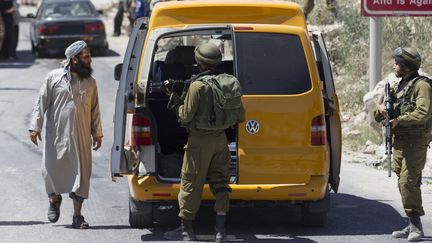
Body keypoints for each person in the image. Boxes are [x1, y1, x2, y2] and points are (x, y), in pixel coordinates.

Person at [163, 42, 245, 242]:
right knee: (221, 183)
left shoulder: (197, 86)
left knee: (191, 182)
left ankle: (186, 229)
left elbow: (185, 117)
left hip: (199, 141)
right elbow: (240, 115)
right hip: (221, 140)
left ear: (198, 62)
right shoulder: (229, 82)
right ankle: (220, 230)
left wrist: (174, 97)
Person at [29, 40, 103, 229]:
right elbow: (41, 103)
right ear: (74, 59)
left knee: (81, 177)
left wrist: (97, 133)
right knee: (50, 171)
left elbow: (95, 110)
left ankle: (77, 216)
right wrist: (35, 127)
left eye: (89, 56)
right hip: (57, 138)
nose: (90, 60)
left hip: (80, 138)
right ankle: (54, 200)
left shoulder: (91, 83)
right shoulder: (53, 78)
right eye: (86, 57)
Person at [374, 47, 430, 242]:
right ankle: (411, 223)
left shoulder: (421, 86)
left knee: (408, 181)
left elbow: (423, 113)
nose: (393, 65)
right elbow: (386, 113)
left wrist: (399, 120)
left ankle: (416, 227)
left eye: (397, 63)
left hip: (415, 141)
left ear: (406, 66)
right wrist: (381, 109)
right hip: (400, 142)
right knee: (403, 181)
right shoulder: (399, 85)